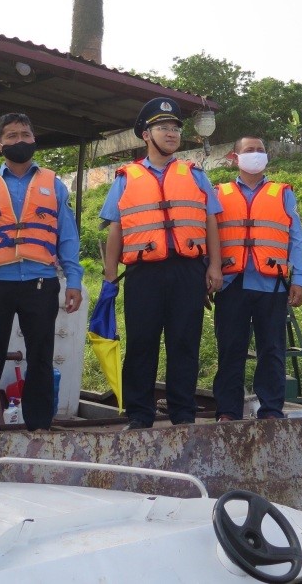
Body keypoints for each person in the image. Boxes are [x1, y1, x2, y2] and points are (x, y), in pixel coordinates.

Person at [0, 113, 83, 431]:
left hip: (41, 282)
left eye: (25, 134)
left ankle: (39, 426)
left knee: (41, 355)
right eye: (12, 136)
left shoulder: (54, 184)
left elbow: (67, 236)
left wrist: (74, 280)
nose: (20, 140)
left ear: (34, 140)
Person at [100, 97, 223, 429]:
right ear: (146, 135)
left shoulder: (195, 174)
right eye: (163, 128)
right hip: (144, 273)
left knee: (184, 342)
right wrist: (109, 277)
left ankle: (183, 414)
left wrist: (214, 266)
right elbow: (116, 228)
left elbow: (211, 220)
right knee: (141, 342)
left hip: (188, 270)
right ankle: (139, 414)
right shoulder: (126, 177)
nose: (171, 134)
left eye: (175, 129)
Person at [211, 136, 302, 421]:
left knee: (272, 349)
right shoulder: (219, 193)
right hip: (231, 284)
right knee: (230, 349)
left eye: (260, 150)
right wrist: (208, 274)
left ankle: (271, 410)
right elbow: (209, 237)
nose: (256, 154)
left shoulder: (283, 193)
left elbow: (296, 238)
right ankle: (227, 412)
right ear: (235, 157)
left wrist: (299, 279)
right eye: (249, 150)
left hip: (272, 284)